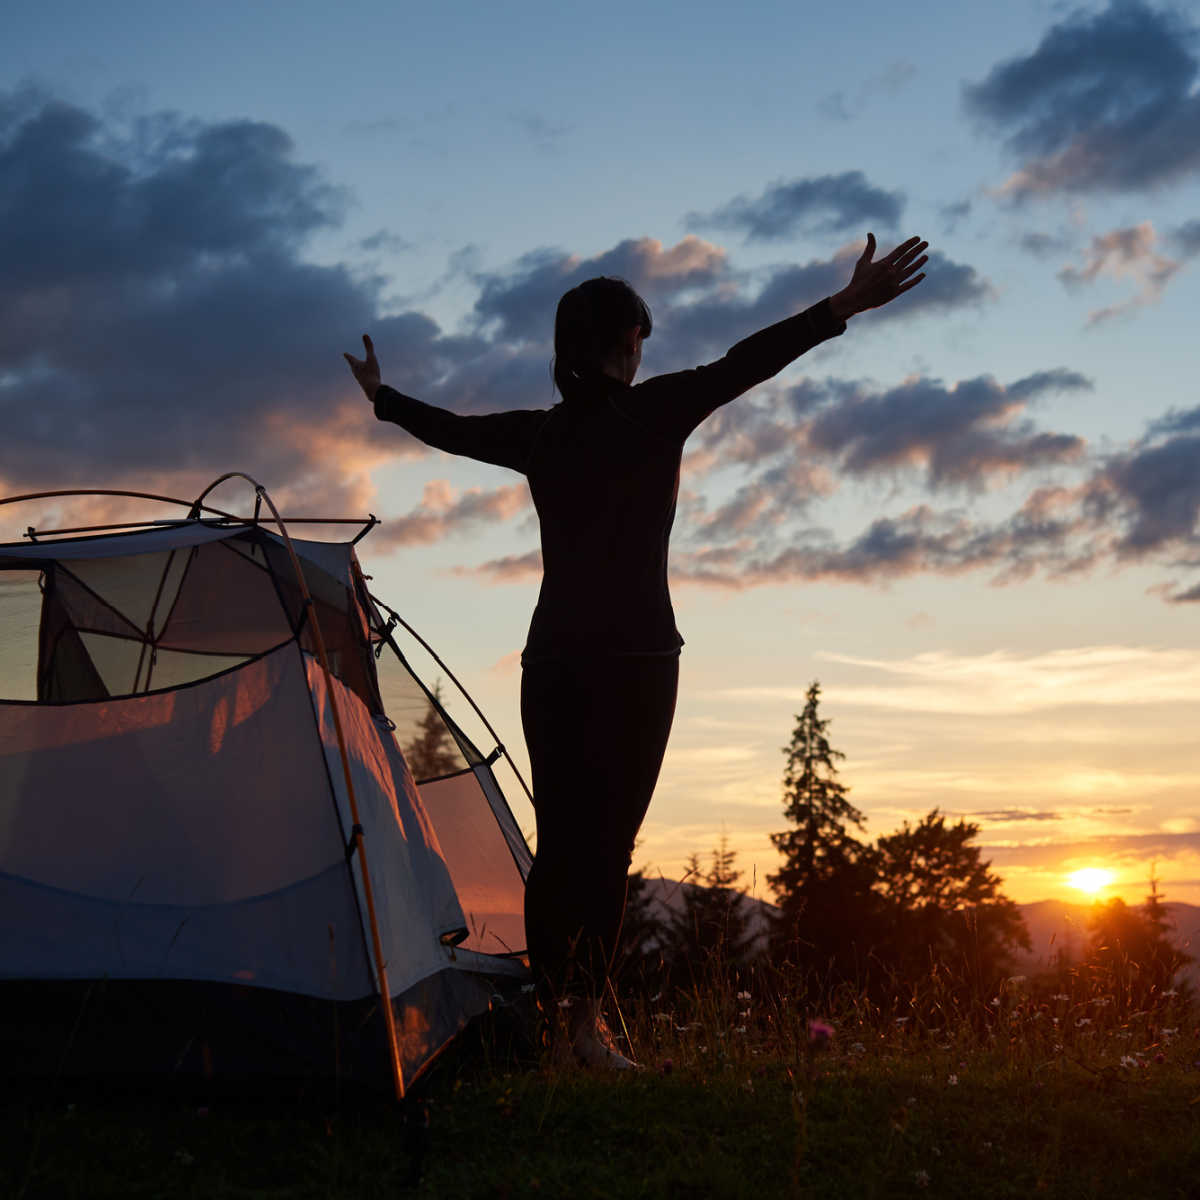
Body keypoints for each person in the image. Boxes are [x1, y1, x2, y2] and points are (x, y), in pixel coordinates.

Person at [346, 232, 928, 1067]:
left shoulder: (540, 435)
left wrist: (385, 398)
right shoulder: (653, 411)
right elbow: (747, 360)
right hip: (638, 665)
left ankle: (559, 1027)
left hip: (552, 663)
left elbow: (452, 430)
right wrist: (841, 306)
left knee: (560, 850)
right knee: (606, 851)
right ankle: (581, 1028)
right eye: (639, 340)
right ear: (626, 346)